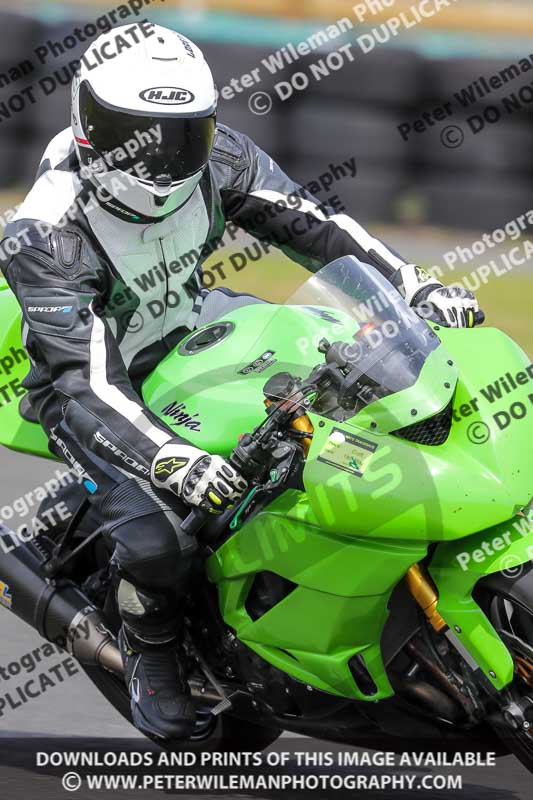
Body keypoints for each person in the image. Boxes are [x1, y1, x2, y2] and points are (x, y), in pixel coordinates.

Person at [0, 23, 480, 740]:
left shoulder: (221, 158)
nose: (163, 164)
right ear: (90, 123)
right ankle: (149, 645)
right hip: (92, 386)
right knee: (163, 534)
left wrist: (411, 285)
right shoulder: (44, 234)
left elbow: (320, 230)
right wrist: (171, 459)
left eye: (181, 137)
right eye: (140, 138)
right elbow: (82, 374)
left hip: (196, 325)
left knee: (355, 377)